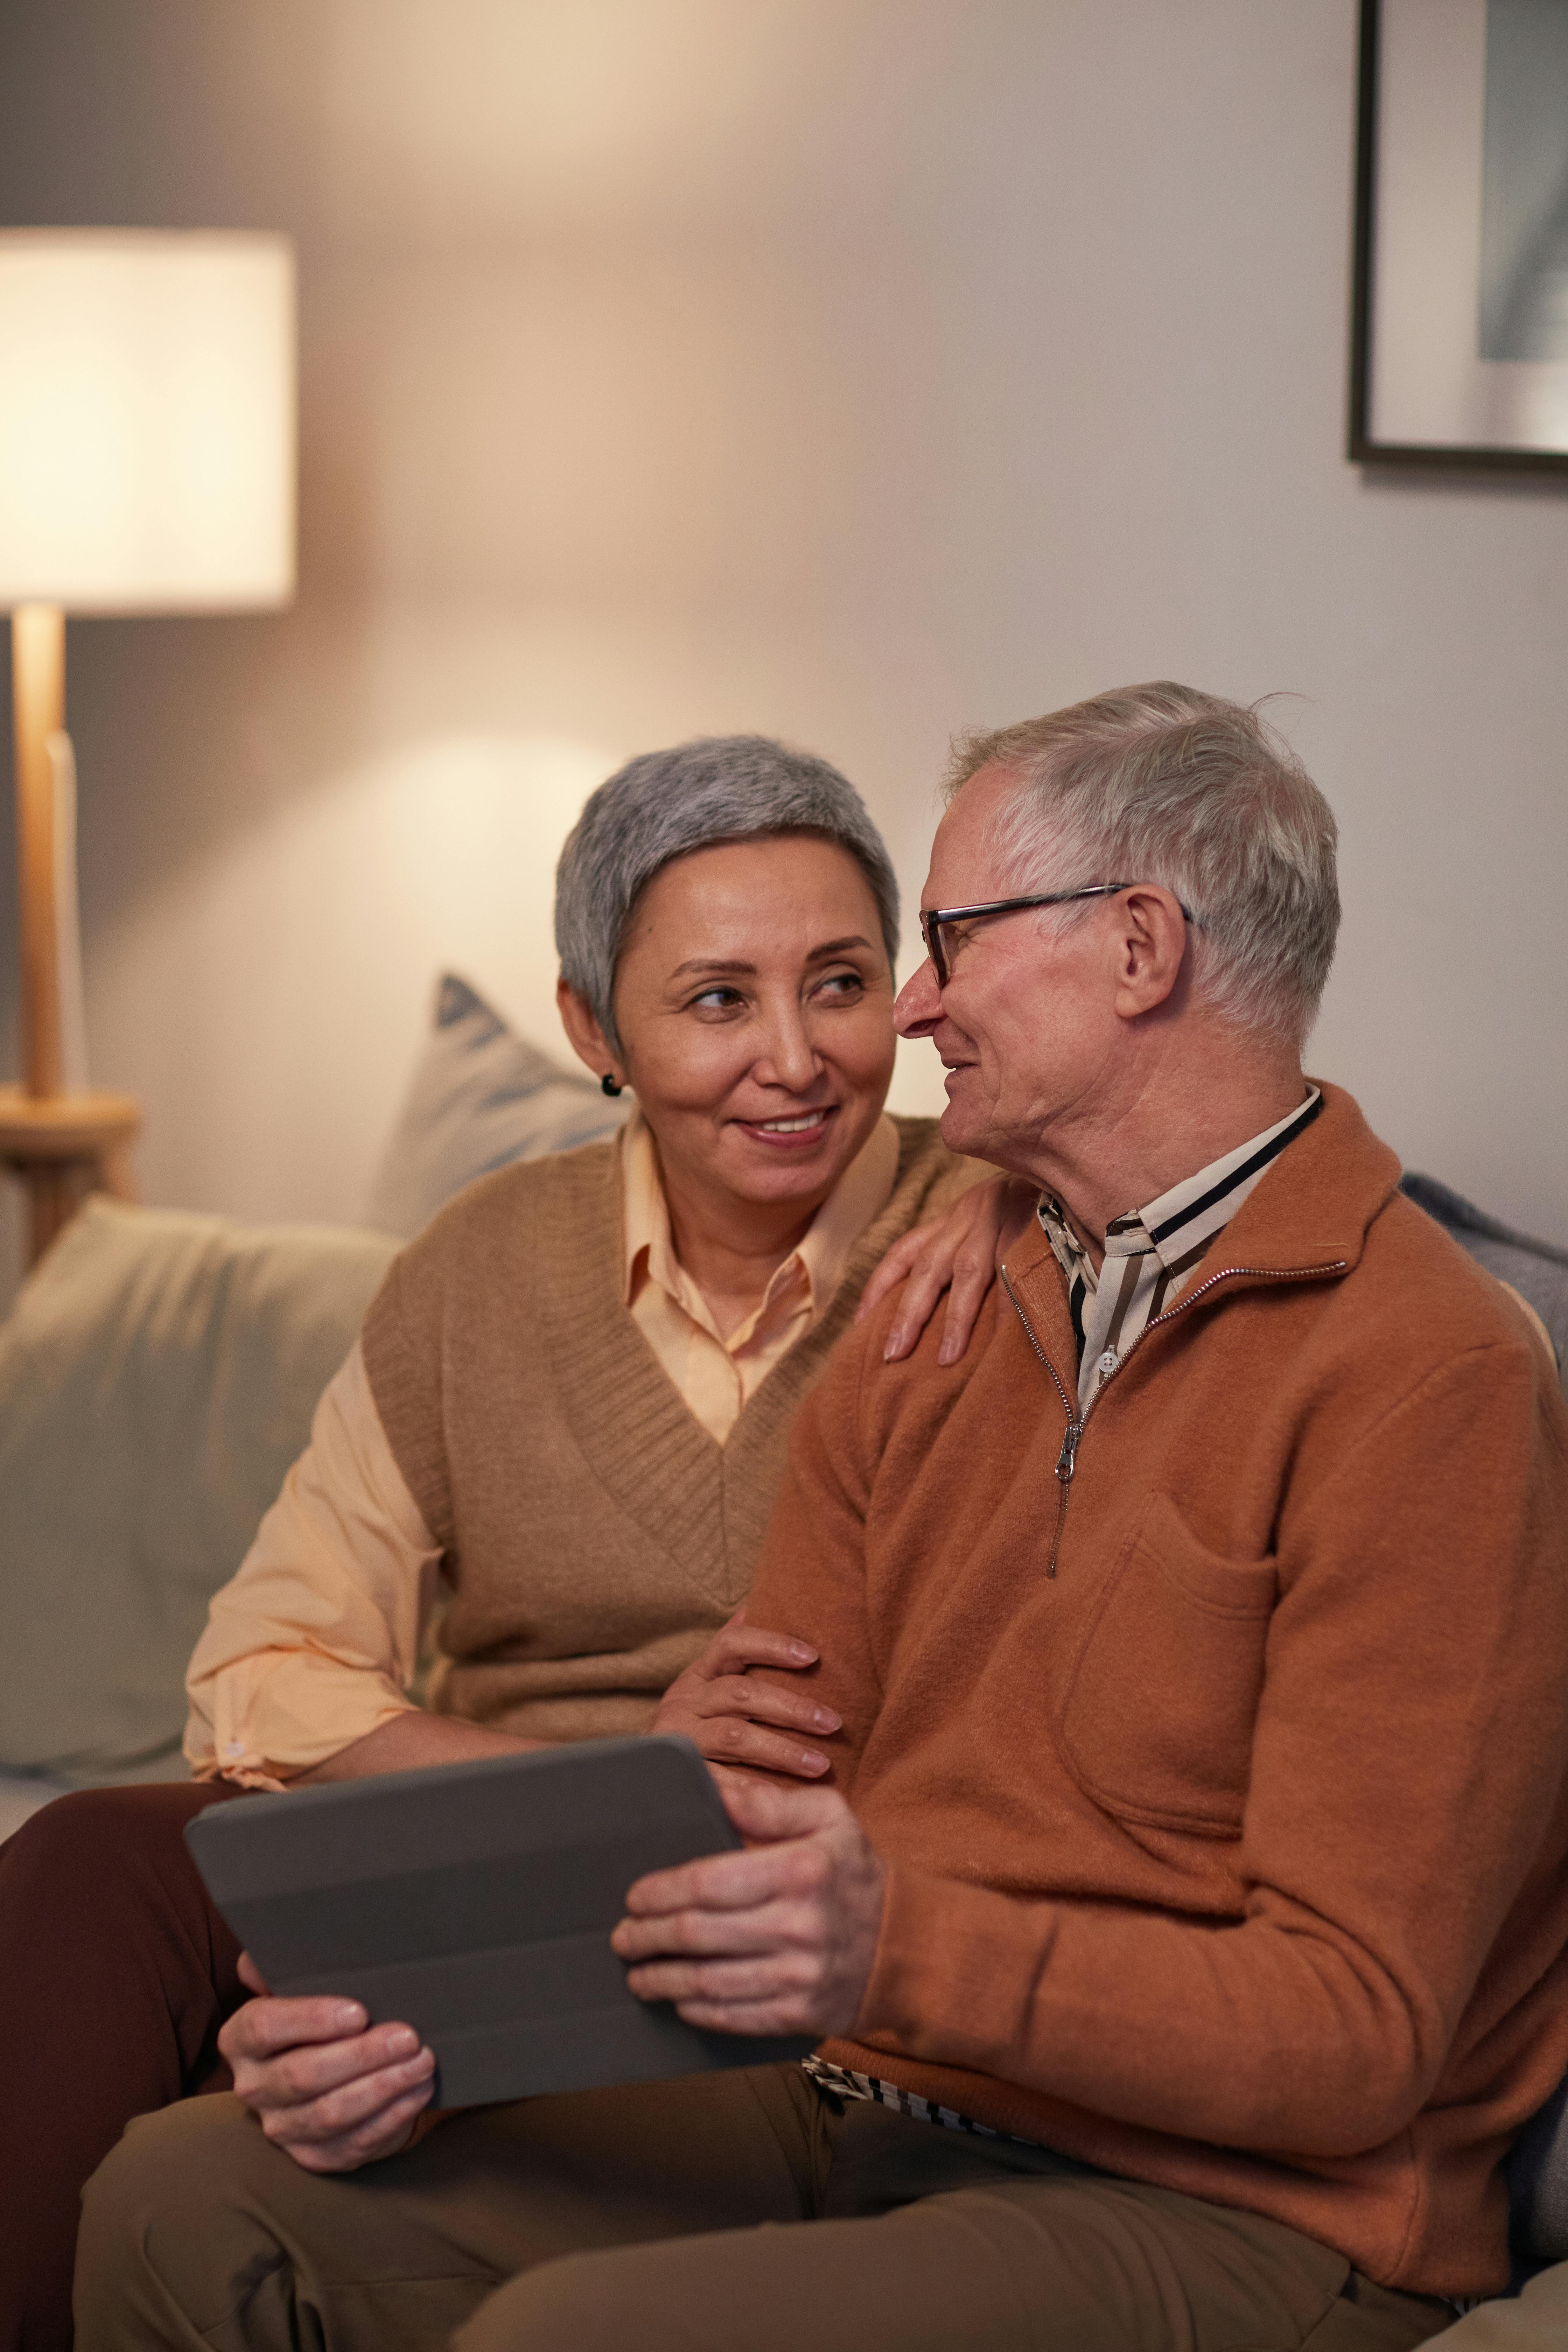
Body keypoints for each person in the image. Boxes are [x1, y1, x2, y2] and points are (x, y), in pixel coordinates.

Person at [74, 686, 1568, 2352]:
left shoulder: (1425, 1374)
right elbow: (752, 1824)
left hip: (1235, 2206)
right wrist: (420, 2021)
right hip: (862, 2104)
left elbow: (1358, 2032)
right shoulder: (936, 1308)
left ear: (1140, 952)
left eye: (945, 945)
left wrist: (894, 1950)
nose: (912, 1010)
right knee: (184, 2202)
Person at [0, 734, 1022, 2352]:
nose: (794, 1059)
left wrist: (1010, 1182)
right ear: (590, 1030)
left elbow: (1275, 1132)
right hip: (491, 1842)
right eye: (713, 1001)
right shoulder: (484, 1264)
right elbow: (260, 1671)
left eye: (836, 985)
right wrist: (590, 1786)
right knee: (92, 1865)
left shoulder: (1007, 1239)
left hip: (759, 1926)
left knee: (227, 2104)